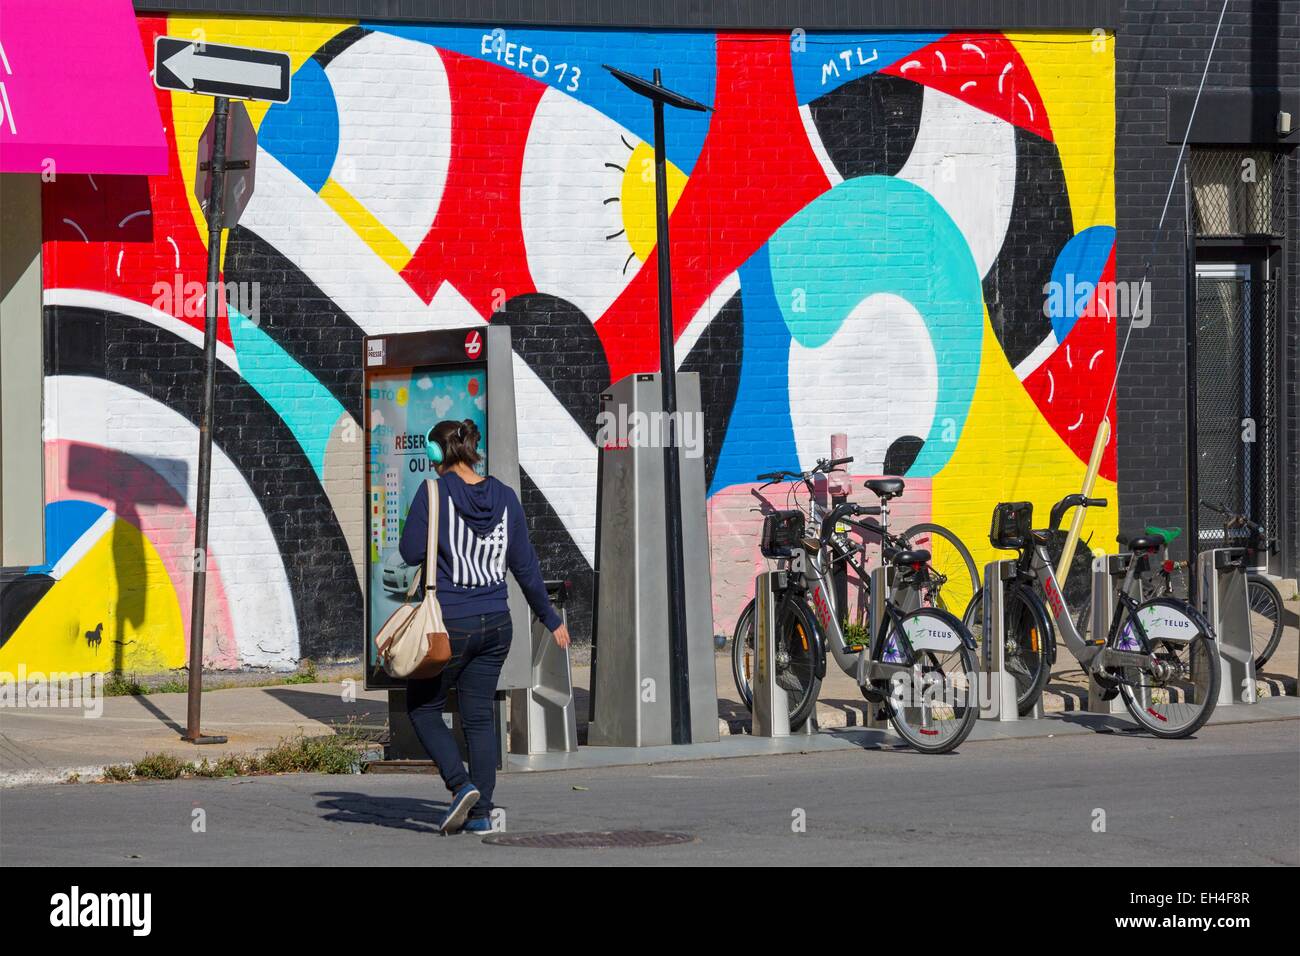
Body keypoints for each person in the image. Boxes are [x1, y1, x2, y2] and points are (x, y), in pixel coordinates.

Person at [399, 418, 569, 835]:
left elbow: (407, 551)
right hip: (497, 624)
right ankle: (481, 814)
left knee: (422, 708)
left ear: (436, 454)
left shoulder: (433, 493)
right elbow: (525, 566)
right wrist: (550, 618)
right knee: (478, 716)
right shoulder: (506, 498)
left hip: (451, 625)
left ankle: (460, 786)